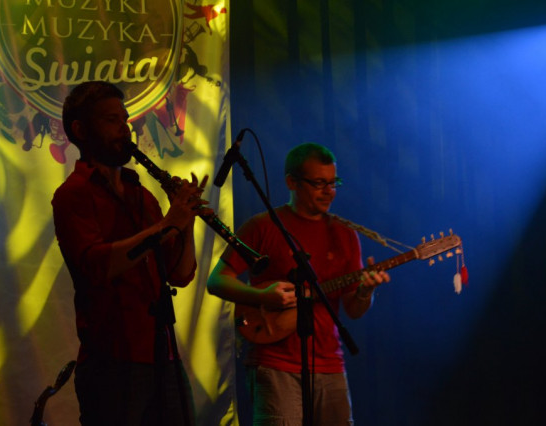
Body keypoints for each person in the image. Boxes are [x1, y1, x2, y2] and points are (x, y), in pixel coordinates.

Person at [52, 81, 207, 426]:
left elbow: (180, 274)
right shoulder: (73, 194)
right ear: (80, 130)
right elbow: (98, 265)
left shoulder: (143, 196)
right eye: (112, 120)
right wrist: (167, 225)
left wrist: (186, 222)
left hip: (162, 354)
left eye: (125, 120)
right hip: (112, 361)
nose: (125, 129)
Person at [207, 143, 390, 425]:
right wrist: (264, 297)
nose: (329, 191)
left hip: (330, 364)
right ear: (292, 182)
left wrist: (365, 292)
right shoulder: (262, 226)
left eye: (333, 183)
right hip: (274, 362)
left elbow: (353, 310)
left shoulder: (344, 234)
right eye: (319, 183)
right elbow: (217, 280)